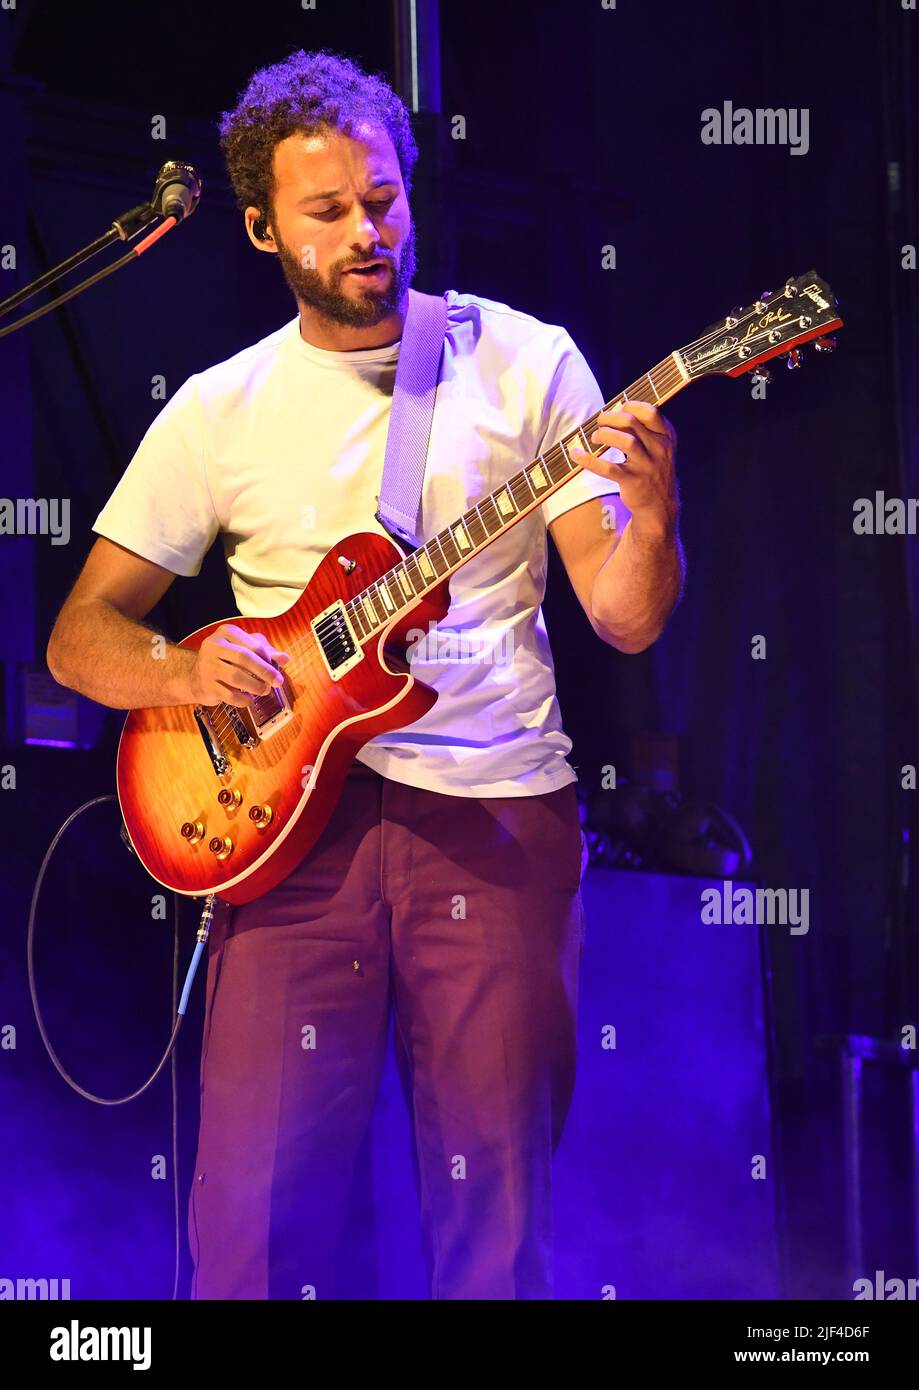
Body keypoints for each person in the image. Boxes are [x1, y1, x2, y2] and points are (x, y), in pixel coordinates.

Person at [46, 49, 684, 1300]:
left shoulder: (527, 362)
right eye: (326, 211)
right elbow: (81, 639)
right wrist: (181, 667)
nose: (364, 231)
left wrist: (653, 521)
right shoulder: (221, 409)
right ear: (260, 225)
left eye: (382, 199)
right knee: (250, 1228)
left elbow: (622, 617)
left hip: (493, 819)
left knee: (493, 1221)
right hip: (291, 838)